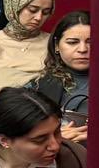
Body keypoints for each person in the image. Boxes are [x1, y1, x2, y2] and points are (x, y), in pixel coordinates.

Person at [32, 11, 88, 144]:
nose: (83, 49)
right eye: (73, 42)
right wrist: (54, 135)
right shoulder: (40, 84)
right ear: (57, 45)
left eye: (92, 42)